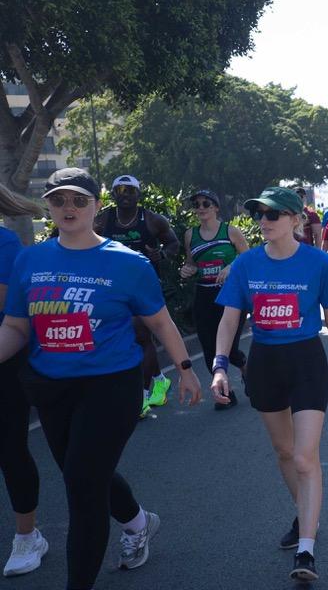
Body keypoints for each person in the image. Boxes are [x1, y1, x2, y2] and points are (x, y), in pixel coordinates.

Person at [0, 168, 201, 590]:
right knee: (85, 473)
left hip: (111, 386)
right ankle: (139, 522)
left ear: (96, 206)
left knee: (82, 487)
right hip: (52, 388)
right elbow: (17, 327)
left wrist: (186, 370)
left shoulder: (127, 262)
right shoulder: (30, 259)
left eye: (78, 200)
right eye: (58, 200)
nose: (68, 208)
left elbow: (161, 322)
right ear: (49, 207)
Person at [211, 186, 328, 582]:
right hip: (265, 363)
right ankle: (307, 513)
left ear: (295, 220)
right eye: (259, 214)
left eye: (273, 215)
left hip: (307, 360)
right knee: (284, 451)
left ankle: (306, 549)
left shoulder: (319, 264)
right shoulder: (247, 265)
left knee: (305, 456)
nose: (264, 222)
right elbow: (229, 319)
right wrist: (220, 366)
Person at [95, 174, 180, 416]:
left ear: (138, 194)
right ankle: (160, 378)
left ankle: (142, 396)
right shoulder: (103, 220)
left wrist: (162, 255)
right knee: (129, 338)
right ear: (112, 195)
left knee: (141, 336)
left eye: (130, 190)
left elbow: (172, 243)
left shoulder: (152, 220)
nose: (125, 195)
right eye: (120, 190)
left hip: (144, 287)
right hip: (112, 287)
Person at [0, 185, 45, 578]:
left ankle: (28, 536)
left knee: (10, 450)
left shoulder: (5, 244)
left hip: (5, 362)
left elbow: (9, 308)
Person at [178, 189, 249, 408]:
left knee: (231, 346)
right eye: (197, 204)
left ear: (216, 207)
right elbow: (191, 262)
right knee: (209, 347)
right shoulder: (191, 234)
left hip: (231, 297)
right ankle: (224, 392)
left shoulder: (231, 231)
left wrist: (231, 266)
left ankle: (246, 369)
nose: (201, 208)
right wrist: (186, 270)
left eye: (206, 204)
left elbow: (247, 258)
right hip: (204, 296)